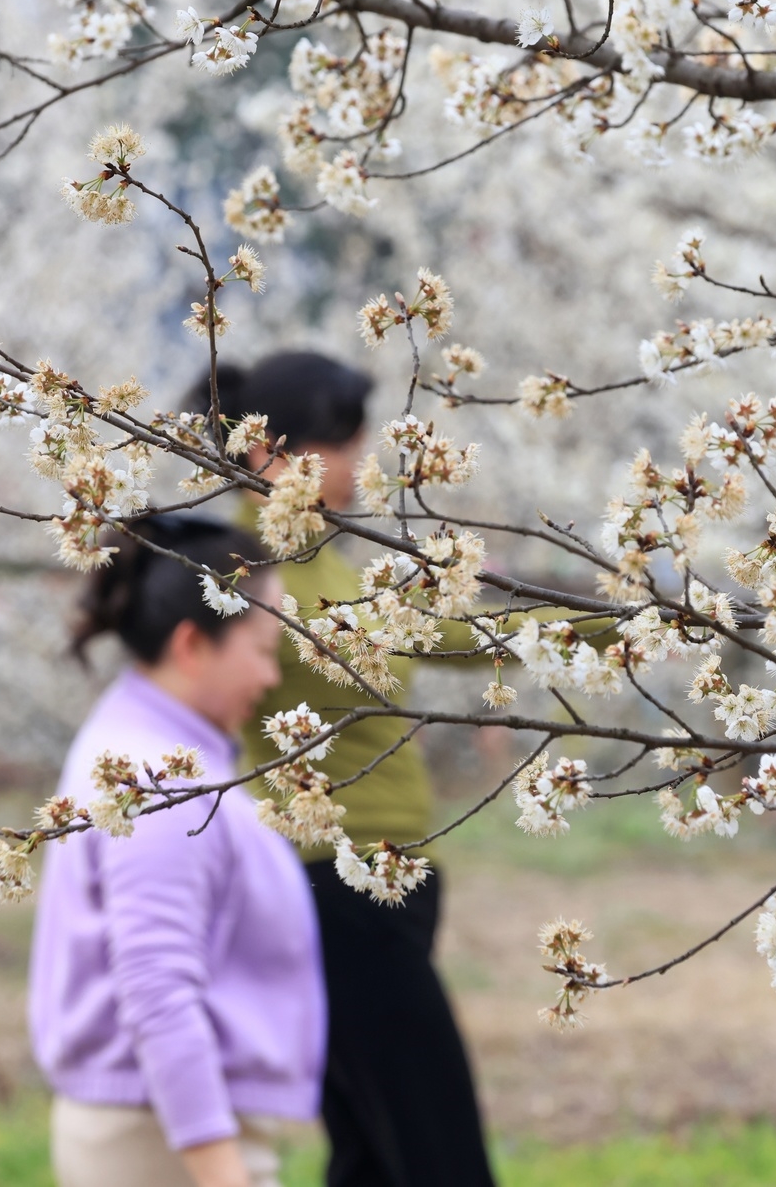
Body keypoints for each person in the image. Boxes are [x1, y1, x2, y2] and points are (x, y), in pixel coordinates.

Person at [201, 352, 498, 1187]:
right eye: (341, 447)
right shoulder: (242, 565)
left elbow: (452, 632)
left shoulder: (336, 553)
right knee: (437, 1146)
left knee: (371, 1149)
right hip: (333, 884)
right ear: (267, 450)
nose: (358, 468)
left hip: (393, 879)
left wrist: (612, 617)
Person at [28, 515, 325, 1187]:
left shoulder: (147, 743)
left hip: (162, 1128)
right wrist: (221, 1170)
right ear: (193, 644)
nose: (272, 675)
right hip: (163, 1141)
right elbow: (157, 988)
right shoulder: (158, 780)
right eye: (261, 648)